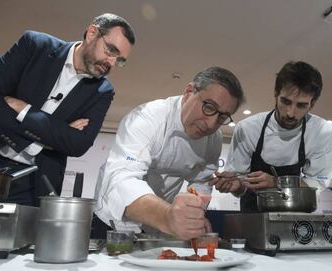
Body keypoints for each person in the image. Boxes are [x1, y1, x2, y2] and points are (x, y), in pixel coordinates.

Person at [0, 13, 135, 206]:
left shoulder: (102, 91)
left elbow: (77, 145)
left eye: (120, 60)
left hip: (35, 185)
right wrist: (56, 132)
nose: (111, 63)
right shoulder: (35, 45)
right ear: (92, 33)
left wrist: (24, 110)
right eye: (110, 50)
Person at [94, 67, 245, 240]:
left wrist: (193, 212)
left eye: (222, 117)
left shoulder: (214, 139)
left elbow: (202, 181)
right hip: (115, 220)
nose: (211, 124)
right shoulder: (147, 118)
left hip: (160, 226)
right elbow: (121, 178)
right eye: (209, 107)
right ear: (189, 92)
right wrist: (167, 216)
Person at [211, 61, 332, 212]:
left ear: (312, 104)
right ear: (276, 94)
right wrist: (236, 186)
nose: (290, 113)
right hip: (253, 217)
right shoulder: (248, 129)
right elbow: (240, 188)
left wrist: (277, 183)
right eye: (285, 101)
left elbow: (318, 182)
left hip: (294, 216)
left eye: (301, 105)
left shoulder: (321, 131)